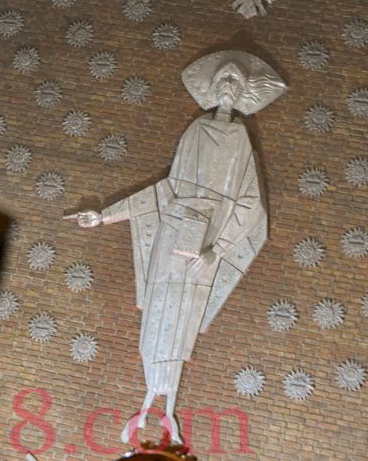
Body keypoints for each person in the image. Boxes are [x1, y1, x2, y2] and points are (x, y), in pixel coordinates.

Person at [69, 51, 285, 444]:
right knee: (156, 315)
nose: (226, 87)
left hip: (204, 241)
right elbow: (167, 190)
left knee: (182, 318)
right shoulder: (196, 130)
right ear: (212, 87)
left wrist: (216, 251)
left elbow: (251, 205)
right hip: (173, 231)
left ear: (243, 93)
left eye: (235, 83)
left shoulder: (239, 139)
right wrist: (104, 216)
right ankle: (150, 397)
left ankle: (165, 406)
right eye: (222, 80)